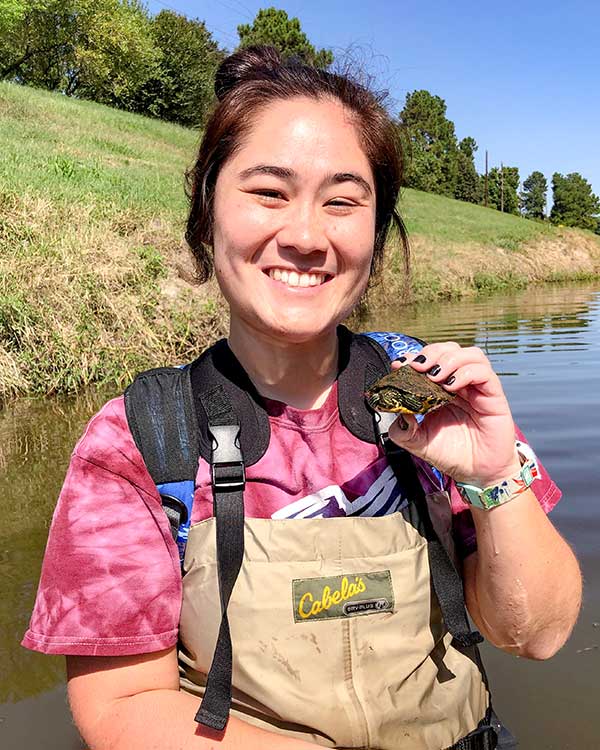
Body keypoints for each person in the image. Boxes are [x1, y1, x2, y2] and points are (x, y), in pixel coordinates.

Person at [23, 46, 581, 750]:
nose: (307, 236)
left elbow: (538, 634)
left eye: (343, 201)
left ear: (375, 235)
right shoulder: (139, 439)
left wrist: (496, 475)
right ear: (206, 211)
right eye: (268, 192)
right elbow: (120, 707)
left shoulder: (427, 389)